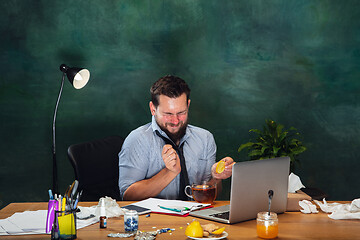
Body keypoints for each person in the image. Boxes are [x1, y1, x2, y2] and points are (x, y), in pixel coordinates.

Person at [118, 75, 234, 200]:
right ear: (153, 109)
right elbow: (127, 196)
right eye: (168, 114)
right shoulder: (137, 140)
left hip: (196, 218)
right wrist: (169, 172)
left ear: (188, 105)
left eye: (181, 113)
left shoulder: (205, 138)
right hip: (154, 219)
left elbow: (211, 195)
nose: (175, 121)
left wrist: (216, 178)